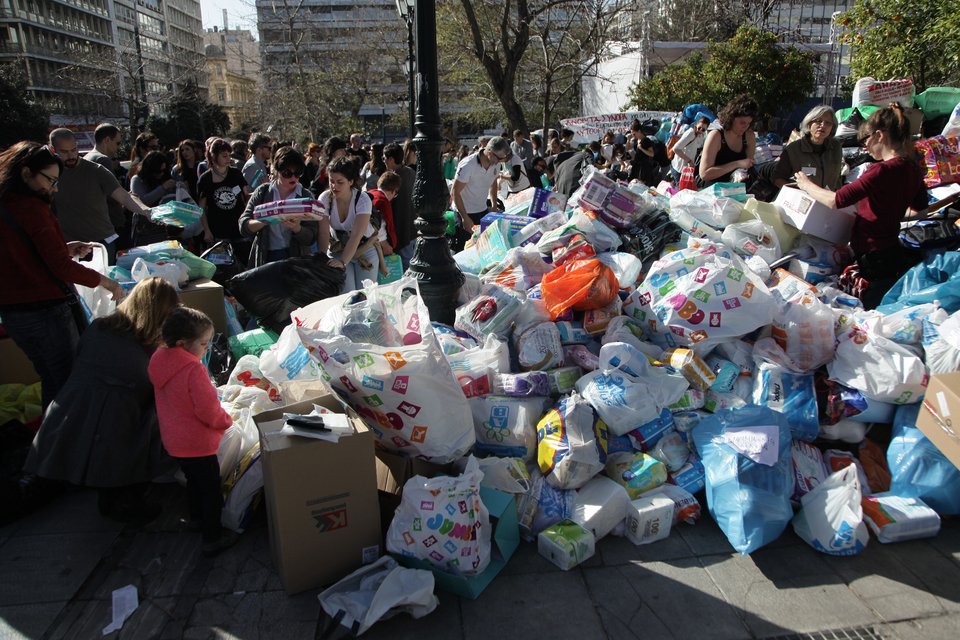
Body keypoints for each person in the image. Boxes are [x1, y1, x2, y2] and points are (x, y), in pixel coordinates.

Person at [26, 276, 180, 523]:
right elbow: (156, 387)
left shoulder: (99, 327)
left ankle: (104, 487)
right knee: (160, 414)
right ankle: (124, 495)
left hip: (69, 411)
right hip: (112, 421)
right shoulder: (147, 350)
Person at [0, 141, 124, 410]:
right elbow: (60, 268)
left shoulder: (7, 205)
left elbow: (23, 254)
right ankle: (62, 445)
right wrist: (105, 281)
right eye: (50, 180)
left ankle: (50, 442)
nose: (52, 188)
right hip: (45, 311)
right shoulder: (32, 209)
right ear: (25, 173)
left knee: (52, 380)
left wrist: (63, 249)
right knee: (67, 383)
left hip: (13, 314)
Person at [794, 104, 928, 309]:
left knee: (867, 308)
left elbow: (835, 200)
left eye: (866, 141)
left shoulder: (881, 170)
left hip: (872, 253)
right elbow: (919, 208)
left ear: (880, 136)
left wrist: (806, 184)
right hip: (890, 251)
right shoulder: (913, 168)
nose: (865, 148)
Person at [149, 307, 237, 556]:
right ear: (182, 343)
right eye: (204, 343)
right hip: (197, 442)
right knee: (210, 489)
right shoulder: (193, 369)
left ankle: (196, 519)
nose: (207, 348)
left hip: (174, 440)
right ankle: (213, 536)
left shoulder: (158, 359)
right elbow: (208, 410)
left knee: (193, 483)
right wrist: (226, 421)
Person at [49, 128, 151, 264]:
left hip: (101, 243)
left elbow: (124, 196)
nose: (71, 156)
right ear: (52, 150)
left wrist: (147, 211)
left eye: (74, 150)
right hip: (71, 246)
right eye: (64, 152)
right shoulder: (49, 174)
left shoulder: (96, 170)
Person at [239, 146, 318, 267]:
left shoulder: (305, 195)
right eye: (287, 173)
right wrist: (265, 219)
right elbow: (243, 226)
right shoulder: (263, 192)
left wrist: (297, 228)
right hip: (266, 257)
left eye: (298, 173)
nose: (293, 178)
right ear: (277, 170)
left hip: (295, 259)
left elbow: (311, 237)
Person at [317, 157, 377, 293]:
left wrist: (343, 262)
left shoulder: (362, 199)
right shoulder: (325, 198)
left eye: (340, 182)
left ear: (350, 182)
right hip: (338, 248)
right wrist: (321, 260)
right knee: (345, 296)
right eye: (331, 181)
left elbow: (356, 235)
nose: (334, 186)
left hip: (364, 248)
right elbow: (323, 233)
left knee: (365, 296)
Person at [197, 138, 250, 257]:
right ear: (213, 156)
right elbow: (201, 209)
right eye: (224, 156)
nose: (228, 159)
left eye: (229, 155)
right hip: (218, 231)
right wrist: (206, 231)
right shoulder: (205, 179)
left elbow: (246, 196)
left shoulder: (236, 174)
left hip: (239, 228)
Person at [772, 105, 843, 191]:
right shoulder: (793, 149)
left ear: (832, 128)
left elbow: (837, 179)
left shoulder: (836, 147)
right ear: (809, 124)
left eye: (828, 123)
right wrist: (797, 193)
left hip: (827, 200)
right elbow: (777, 179)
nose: (823, 125)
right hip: (801, 200)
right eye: (818, 121)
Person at [452, 136, 510, 239]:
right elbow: (455, 192)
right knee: (465, 248)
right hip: (465, 212)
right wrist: (464, 217)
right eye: (499, 158)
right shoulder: (468, 165)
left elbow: (493, 183)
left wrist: (494, 205)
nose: (499, 162)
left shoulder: (495, 163)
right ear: (489, 153)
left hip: (482, 210)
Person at [698, 94, 758, 187]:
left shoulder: (749, 136)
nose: (745, 127)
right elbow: (704, 174)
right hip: (713, 192)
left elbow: (747, 166)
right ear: (732, 118)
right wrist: (737, 164)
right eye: (742, 122)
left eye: (748, 123)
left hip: (736, 192)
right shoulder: (716, 136)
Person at [84, 123, 127, 244]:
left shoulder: (87, 158)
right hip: (111, 222)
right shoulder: (103, 159)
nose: (118, 147)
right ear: (107, 140)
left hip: (97, 223)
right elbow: (113, 194)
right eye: (117, 143)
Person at [383, 142, 416, 268]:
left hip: (400, 230)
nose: (384, 162)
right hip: (413, 228)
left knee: (406, 264)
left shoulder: (391, 179)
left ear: (391, 159)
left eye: (384, 158)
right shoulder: (410, 172)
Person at [670, 117, 710, 181]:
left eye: (703, 130)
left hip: (686, 169)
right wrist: (689, 161)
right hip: (679, 169)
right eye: (699, 128)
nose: (700, 130)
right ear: (696, 124)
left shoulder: (700, 135)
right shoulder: (691, 133)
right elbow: (675, 148)